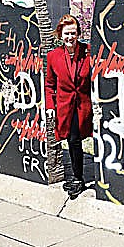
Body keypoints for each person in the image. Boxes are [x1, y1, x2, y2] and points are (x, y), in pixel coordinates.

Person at [45, 14, 93, 200]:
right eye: (66, 33)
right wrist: (50, 106)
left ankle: (81, 176)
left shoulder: (88, 51)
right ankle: (78, 178)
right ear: (60, 35)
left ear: (78, 33)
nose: (70, 37)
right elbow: (49, 84)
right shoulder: (53, 56)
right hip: (66, 107)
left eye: (73, 33)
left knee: (83, 140)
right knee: (73, 141)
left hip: (85, 106)